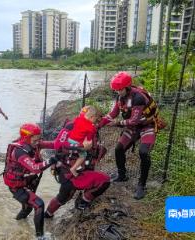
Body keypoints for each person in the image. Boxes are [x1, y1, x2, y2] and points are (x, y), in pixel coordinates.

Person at [98, 71, 159, 200]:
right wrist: (99, 124)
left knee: (143, 152)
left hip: (146, 125)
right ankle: (122, 175)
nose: (118, 92)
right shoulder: (121, 96)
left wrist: (117, 123)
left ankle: (141, 185)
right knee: (119, 148)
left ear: (127, 87)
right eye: (116, 90)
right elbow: (113, 113)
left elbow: (134, 120)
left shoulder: (138, 98)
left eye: (119, 90)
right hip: (133, 127)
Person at [45, 106, 110, 217]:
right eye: (95, 119)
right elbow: (58, 144)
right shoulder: (71, 126)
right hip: (68, 172)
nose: (96, 122)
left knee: (104, 181)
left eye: (97, 120)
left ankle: (83, 201)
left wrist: (113, 120)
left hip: (82, 170)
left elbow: (101, 122)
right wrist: (80, 146)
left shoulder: (90, 126)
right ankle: (47, 215)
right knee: (63, 198)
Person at [3, 123, 57, 239]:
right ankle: (40, 237)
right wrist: (51, 161)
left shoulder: (34, 143)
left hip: (27, 182)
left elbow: (54, 144)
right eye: (35, 140)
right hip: (17, 186)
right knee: (39, 205)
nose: (38, 142)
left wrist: (71, 142)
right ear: (27, 138)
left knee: (27, 209)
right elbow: (35, 168)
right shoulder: (19, 151)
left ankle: (17, 226)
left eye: (39, 139)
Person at [67, 106, 100, 177]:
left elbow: (80, 115)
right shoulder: (91, 128)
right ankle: (73, 168)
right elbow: (89, 140)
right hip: (76, 143)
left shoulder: (79, 118)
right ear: (92, 117)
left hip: (69, 139)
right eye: (95, 119)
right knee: (83, 155)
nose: (95, 120)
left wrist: (86, 109)